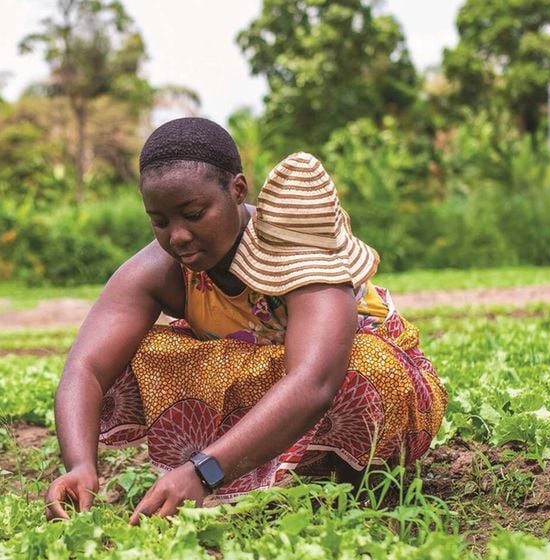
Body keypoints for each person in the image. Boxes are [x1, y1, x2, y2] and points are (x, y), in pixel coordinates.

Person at [45, 118, 446, 524]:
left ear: (237, 190)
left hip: (358, 392)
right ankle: (259, 474)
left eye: (194, 213)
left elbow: (314, 383)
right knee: (139, 353)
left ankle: (347, 479)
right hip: (270, 395)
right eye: (161, 221)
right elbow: (86, 367)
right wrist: (79, 465)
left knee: (366, 367)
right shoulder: (162, 268)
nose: (178, 236)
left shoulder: (299, 246)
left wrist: (204, 473)